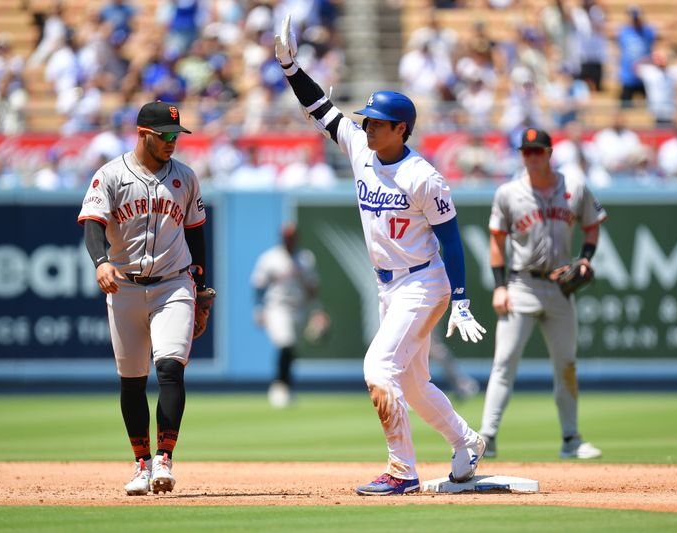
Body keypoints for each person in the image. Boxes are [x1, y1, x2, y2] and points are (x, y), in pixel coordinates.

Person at [275, 15, 487, 496]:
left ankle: (401, 470)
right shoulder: (360, 149)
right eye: (365, 119)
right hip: (388, 284)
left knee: (378, 369)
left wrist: (460, 298)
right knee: (412, 385)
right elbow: (320, 106)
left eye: (375, 122)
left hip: (422, 280)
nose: (365, 125)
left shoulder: (423, 176)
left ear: (401, 129)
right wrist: (290, 66)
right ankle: (467, 442)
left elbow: (450, 237)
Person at [77, 101, 211, 495]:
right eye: (165, 135)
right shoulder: (112, 175)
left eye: (176, 135)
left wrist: (201, 289)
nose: (173, 142)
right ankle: (141, 463)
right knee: (132, 381)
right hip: (126, 287)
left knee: (170, 368)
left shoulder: (185, 177)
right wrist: (101, 262)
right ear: (142, 134)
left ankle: (165, 460)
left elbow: (196, 235)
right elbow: (92, 224)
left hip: (174, 284)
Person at [479, 128, 606, 461]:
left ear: (550, 153)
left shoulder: (574, 188)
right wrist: (500, 286)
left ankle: (570, 439)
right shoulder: (508, 193)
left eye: (538, 151)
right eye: (527, 151)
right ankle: (487, 438)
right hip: (522, 284)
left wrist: (585, 260)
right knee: (504, 363)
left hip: (560, 288)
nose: (532, 157)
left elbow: (593, 224)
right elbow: (497, 240)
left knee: (566, 364)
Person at [251, 223, 330, 409]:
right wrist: (258, 309)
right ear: (281, 238)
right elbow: (259, 285)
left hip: (299, 309)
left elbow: (313, 288)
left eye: (292, 236)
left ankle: (286, 386)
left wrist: (318, 311)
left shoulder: (305, 259)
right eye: (286, 237)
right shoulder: (270, 259)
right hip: (276, 308)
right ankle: (279, 387)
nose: (289, 240)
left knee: (292, 347)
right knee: (285, 343)